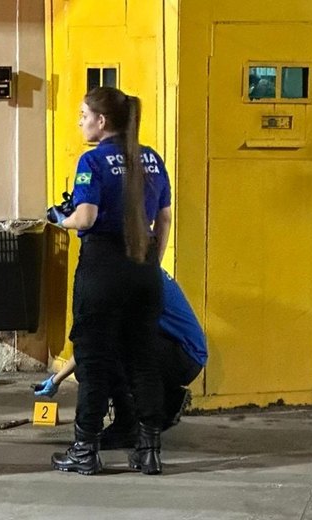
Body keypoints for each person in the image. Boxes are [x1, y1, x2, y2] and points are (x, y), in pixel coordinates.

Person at [49, 86, 172, 476]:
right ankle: (148, 450)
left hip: (103, 267)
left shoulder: (93, 161)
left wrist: (58, 219)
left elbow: (84, 217)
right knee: (143, 358)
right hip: (144, 267)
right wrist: (154, 258)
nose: (80, 121)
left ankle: (85, 450)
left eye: (84, 114)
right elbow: (164, 217)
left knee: (94, 358)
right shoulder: (150, 158)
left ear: (102, 121)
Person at [35, 268, 208, 448]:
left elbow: (94, 344)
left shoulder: (125, 279)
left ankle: (126, 428)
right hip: (182, 353)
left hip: (182, 355)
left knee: (101, 361)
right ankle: (165, 402)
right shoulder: (137, 265)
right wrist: (56, 379)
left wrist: (58, 380)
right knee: (105, 353)